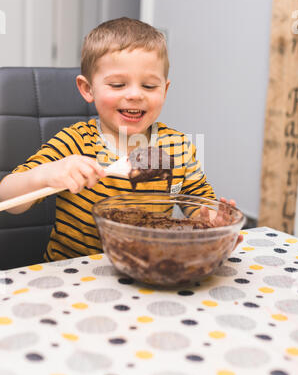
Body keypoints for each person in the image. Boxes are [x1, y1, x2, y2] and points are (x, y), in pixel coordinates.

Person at [0, 17, 242, 262]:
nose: (135, 95)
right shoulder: (74, 143)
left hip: (148, 269)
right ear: (88, 89)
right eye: (117, 85)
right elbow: (8, 198)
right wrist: (48, 173)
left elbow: (198, 204)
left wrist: (215, 225)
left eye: (149, 86)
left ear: (165, 91)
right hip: (76, 277)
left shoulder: (177, 147)